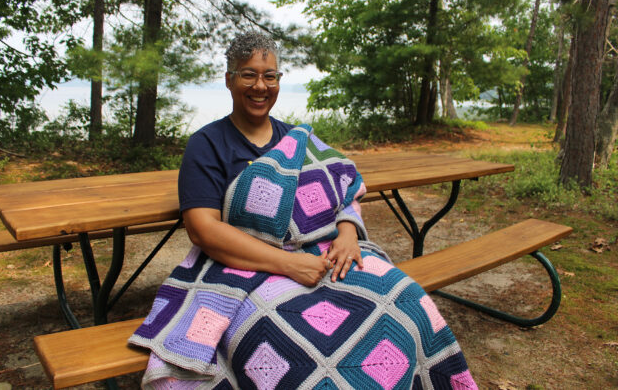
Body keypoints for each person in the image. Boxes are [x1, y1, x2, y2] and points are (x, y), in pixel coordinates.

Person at [129, 32, 477, 389]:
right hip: (244, 269)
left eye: (270, 76)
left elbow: (343, 188)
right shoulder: (207, 144)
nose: (260, 86)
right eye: (248, 74)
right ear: (229, 80)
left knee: (403, 301)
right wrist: (289, 264)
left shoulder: (297, 139)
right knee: (295, 349)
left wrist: (347, 234)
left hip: (326, 255)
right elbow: (204, 230)